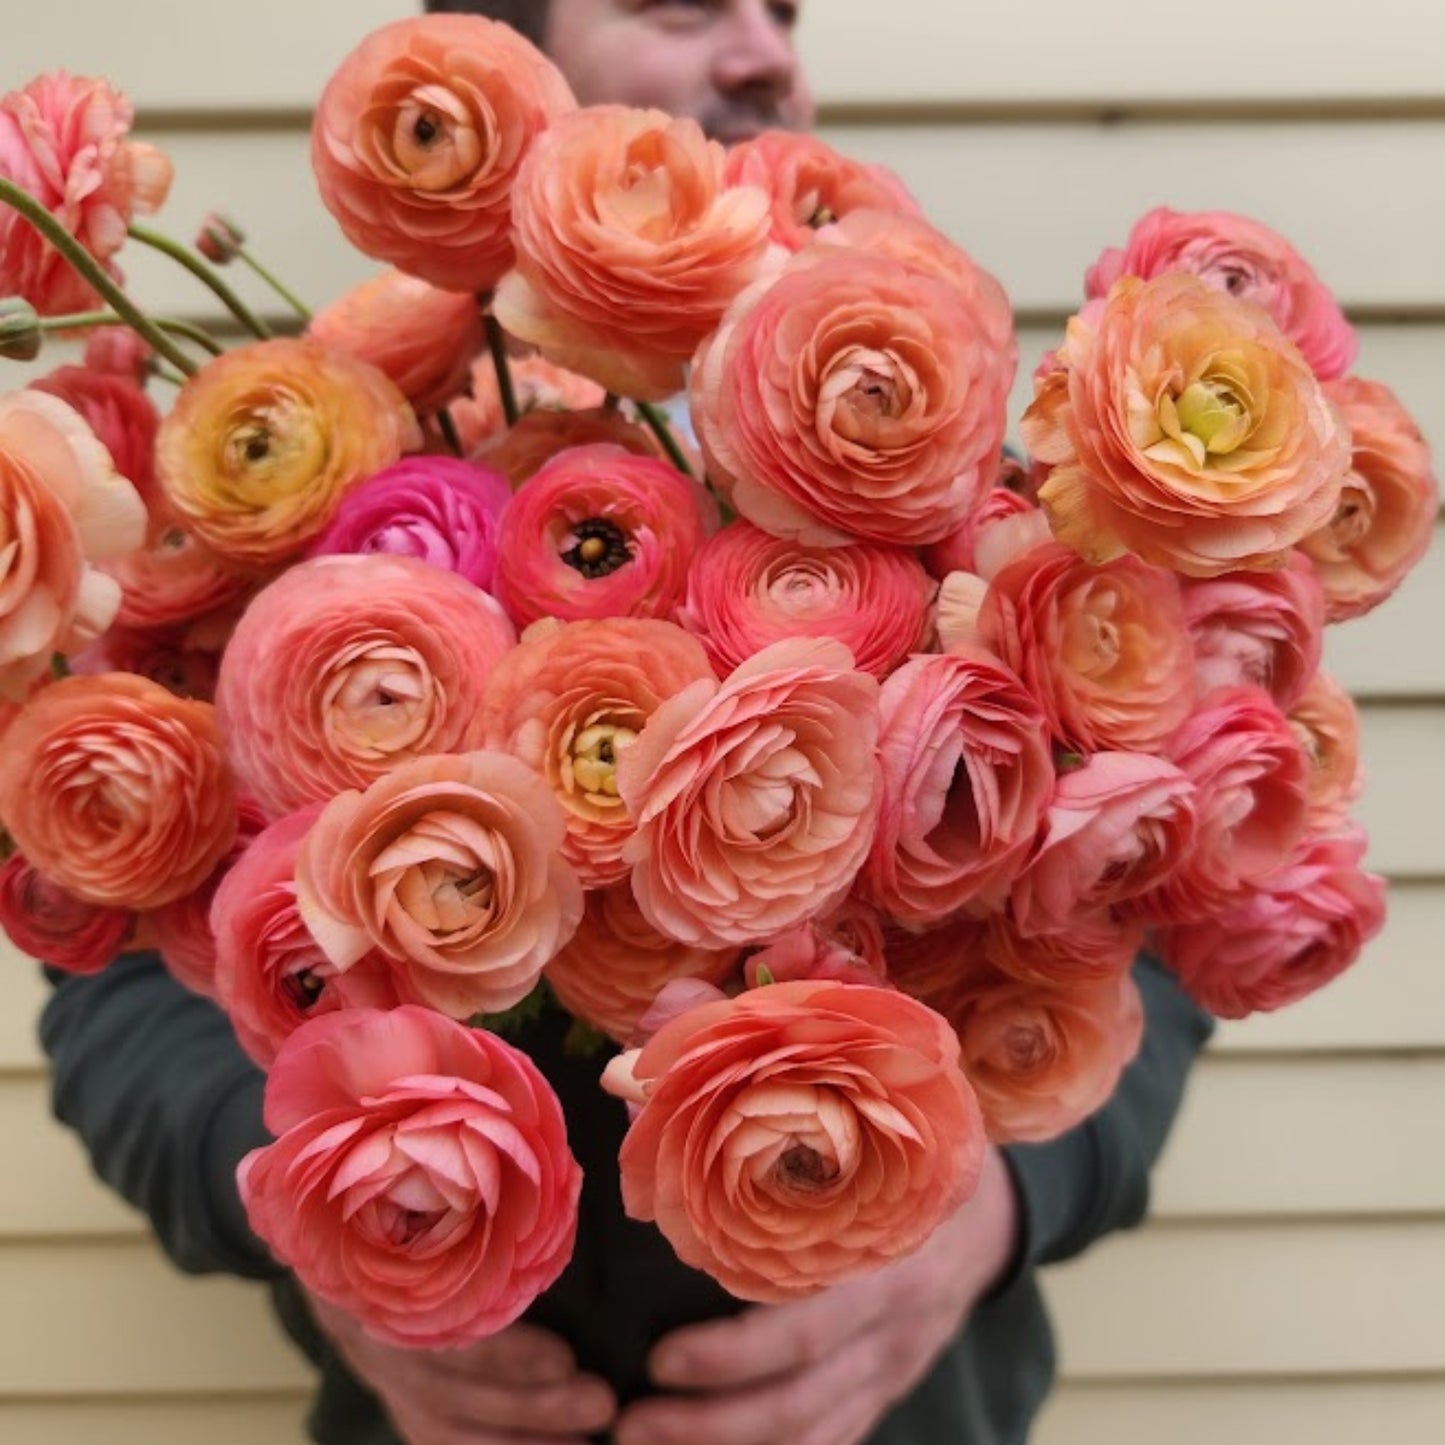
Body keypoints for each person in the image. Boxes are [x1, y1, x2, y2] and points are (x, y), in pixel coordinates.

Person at [39, 4, 1215, 1443]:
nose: (761, 54)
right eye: (676, 7)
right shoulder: (298, 506)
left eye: (781, 12)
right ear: (512, 63)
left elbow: (1151, 906)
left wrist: (1001, 1204)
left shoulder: (970, 492)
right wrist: (323, 1214)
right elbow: (124, 984)